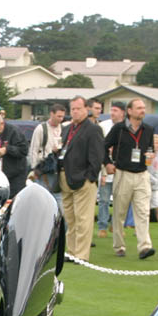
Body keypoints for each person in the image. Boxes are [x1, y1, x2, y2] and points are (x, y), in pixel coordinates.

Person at [105, 97, 156, 259]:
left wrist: (151, 155)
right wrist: (107, 163)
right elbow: (103, 146)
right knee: (119, 212)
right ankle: (119, 246)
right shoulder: (119, 129)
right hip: (123, 173)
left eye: (144, 107)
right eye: (139, 108)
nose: (143, 110)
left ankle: (144, 247)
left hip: (142, 174)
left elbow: (150, 148)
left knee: (143, 211)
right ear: (129, 111)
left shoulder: (148, 129)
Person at [59, 95, 104, 262]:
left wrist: (89, 178)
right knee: (70, 217)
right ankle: (71, 251)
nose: (75, 112)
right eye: (73, 109)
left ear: (87, 109)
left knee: (83, 218)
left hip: (83, 180)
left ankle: (81, 254)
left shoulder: (93, 130)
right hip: (66, 178)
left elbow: (97, 157)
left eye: (78, 108)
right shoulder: (67, 129)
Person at [0, 112, 29, 198]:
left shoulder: (14, 132)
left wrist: (7, 149)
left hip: (15, 176)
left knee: (14, 200)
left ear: (2, 124)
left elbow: (24, 150)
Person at [96, 101, 125, 238]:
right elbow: (100, 148)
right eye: (111, 110)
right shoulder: (103, 126)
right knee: (104, 200)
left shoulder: (127, 127)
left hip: (121, 170)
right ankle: (102, 226)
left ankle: (116, 226)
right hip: (105, 168)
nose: (112, 113)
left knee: (120, 200)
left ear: (123, 113)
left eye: (115, 110)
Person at [29, 103, 66, 195]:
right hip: (44, 168)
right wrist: (34, 169)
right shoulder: (41, 129)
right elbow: (34, 149)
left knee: (58, 197)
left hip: (59, 168)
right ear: (51, 114)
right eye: (59, 116)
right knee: (44, 196)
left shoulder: (64, 128)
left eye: (62, 117)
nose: (61, 119)